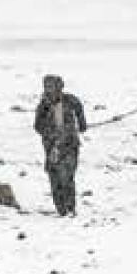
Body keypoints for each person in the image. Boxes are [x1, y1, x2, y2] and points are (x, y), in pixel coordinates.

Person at [33, 74, 87, 216]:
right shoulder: (43, 106)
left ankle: (70, 208)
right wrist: (50, 134)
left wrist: (81, 124)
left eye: (53, 86)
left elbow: (79, 110)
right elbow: (37, 126)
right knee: (54, 177)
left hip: (70, 145)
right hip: (51, 148)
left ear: (60, 87)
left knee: (67, 176)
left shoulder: (70, 100)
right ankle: (61, 209)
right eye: (47, 87)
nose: (50, 90)